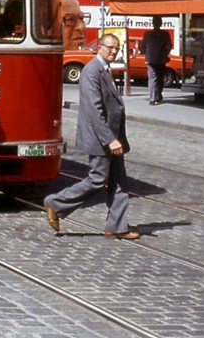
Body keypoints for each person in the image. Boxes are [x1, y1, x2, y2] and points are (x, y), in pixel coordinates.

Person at [44, 33, 139, 240]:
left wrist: (117, 138)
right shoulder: (91, 72)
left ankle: (117, 226)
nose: (114, 51)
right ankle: (56, 203)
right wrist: (110, 139)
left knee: (120, 182)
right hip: (101, 139)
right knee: (97, 179)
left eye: (117, 48)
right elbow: (94, 111)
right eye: (110, 47)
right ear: (99, 47)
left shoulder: (104, 69)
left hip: (113, 137)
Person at [139, 16, 173, 105]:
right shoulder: (165, 33)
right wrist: (165, 53)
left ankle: (152, 98)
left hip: (150, 59)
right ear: (161, 23)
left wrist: (146, 53)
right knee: (160, 78)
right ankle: (158, 95)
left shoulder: (147, 34)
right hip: (161, 59)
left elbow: (142, 46)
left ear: (152, 23)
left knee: (152, 78)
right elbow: (169, 46)